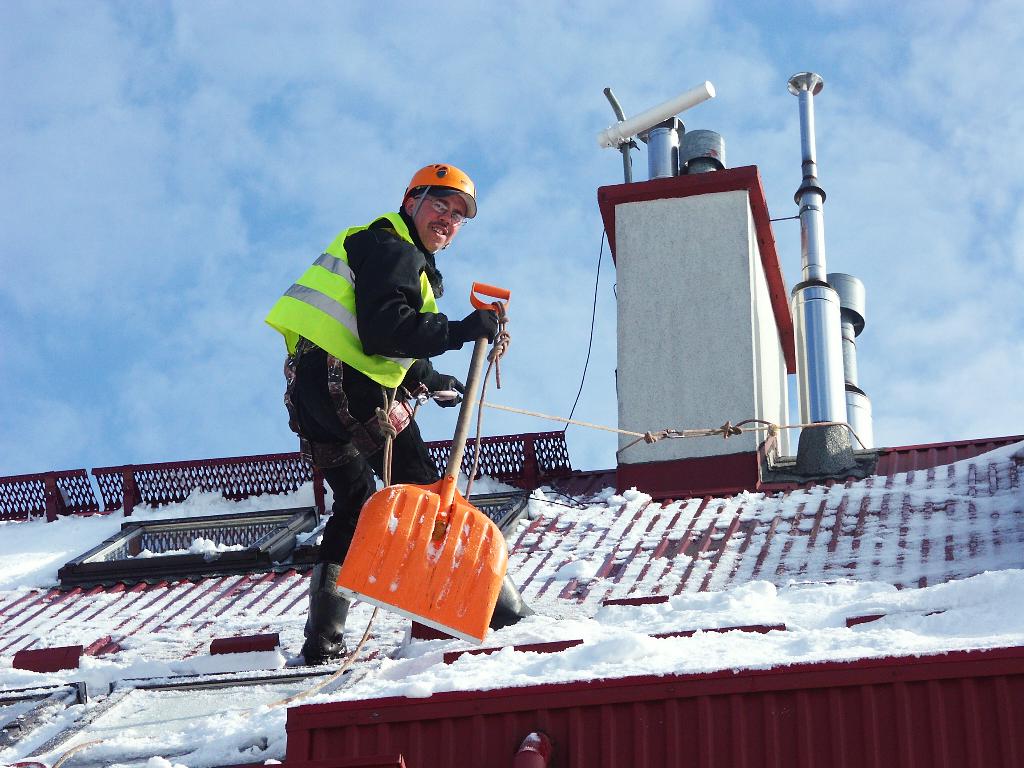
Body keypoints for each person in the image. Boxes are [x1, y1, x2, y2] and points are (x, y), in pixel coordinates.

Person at [266, 163, 533, 665]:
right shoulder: (395, 249)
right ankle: (506, 613)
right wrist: (460, 330)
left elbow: (381, 334)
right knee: (427, 487)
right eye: (439, 205)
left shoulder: (380, 249)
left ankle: (322, 642)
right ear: (410, 202)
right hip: (351, 386)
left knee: (354, 500)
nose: (448, 220)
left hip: (312, 394)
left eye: (458, 215)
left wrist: (426, 377)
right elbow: (385, 330)